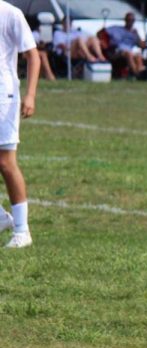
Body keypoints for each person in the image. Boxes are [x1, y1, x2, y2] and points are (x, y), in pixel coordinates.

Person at [0, 1, 40, 249]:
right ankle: (1, 218)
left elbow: (33, 56)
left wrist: (31, 95)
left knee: (5, 161)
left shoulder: (10, 13)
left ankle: (22, 231)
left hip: (4, 97)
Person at [105, 12, 147, 78]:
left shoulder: (134, 33)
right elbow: (101, 32)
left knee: (138, 55)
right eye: (128, 20)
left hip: (129, 52)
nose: (130, 22)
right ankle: (136, 74)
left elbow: (142, 45)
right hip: (117, 52)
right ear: (125, 20)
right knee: (129, 54)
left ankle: (141, 73)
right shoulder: (116, 29)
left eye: (132, 20)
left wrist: (137, 35)